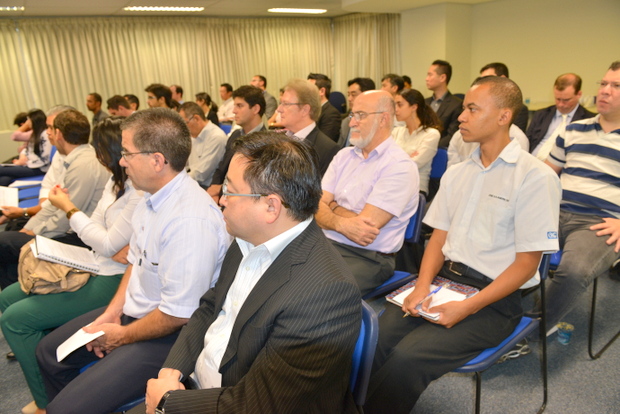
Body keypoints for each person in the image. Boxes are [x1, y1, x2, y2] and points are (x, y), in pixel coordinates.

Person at [364, 76, 561, 414]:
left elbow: (527, 265)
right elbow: (438, 238)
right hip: (443, 283)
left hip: (493, 300)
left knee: (406, 359)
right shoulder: (458, 173)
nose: (461, 117)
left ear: (503, 116)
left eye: (472, 109)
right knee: (373, 339)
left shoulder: (535, 177)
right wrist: (421, 285)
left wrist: (468, 307)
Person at [129, 131, 362, 414]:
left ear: (271, 206)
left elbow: (261, 404)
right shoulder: (247, 238)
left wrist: (169, 403)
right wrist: (172, 371)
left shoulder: (325, 293)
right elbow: (210, 307)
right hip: (198, 390)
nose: (221, 199)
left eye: (230, 190)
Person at [34, 108, 230, 414]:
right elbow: (135, 264)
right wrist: (112, 313)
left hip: (171, 335)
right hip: (137, 314)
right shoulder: (150, 197)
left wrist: (122, 337)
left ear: (157, 161)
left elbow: (179, 315)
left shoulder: (190, 220)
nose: (122, 161)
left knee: (64, 408)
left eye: (127, 153)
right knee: (49, 353)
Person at [0, 117, 142, 414]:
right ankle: (47, 370)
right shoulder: (114, 182)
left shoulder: (138, 191)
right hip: (96, 261)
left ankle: (45, 402)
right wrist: (104, 241)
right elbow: (100, 235)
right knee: (7, 297)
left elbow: (104, 240)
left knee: (15, 319)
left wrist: (69, 209)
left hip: (116, 278)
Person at [316, 90, 419, 296]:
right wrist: (340, 221)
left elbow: (364, 230)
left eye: (361, 115)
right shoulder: (343, 156)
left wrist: (332, 206)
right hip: (324, 242)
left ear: (383, 119)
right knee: (275, 274)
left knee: (316, 295)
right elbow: (314, 206)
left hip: (368, 257)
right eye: (352, 115)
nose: (352, 123)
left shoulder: (399, 166)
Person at [542, 61, 620, 329]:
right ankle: (497, 319)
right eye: (604, 83)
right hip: (555, 212)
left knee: (573, 271)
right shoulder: (574, 129)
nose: (605, 91)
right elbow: (545, 175)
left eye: (616, 85)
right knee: (501, 243)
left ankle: (534, 329)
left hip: (599, 222)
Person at [0, 109, 109, 289]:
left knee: (4, 242)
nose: (47, 133)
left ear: (58, 134)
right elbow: (53, 205)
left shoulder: (83, 165)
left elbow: (65, 217)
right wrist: (29, 228)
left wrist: (35, 233)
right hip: (66, 231)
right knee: (10, 254)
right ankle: (15, 291)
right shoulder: (74, 159)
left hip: (78, 239)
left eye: (50, 128)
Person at [207, 85, 266, 203]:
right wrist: (214, 188)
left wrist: (220, 190)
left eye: (239, 106)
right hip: (221, 196)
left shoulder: (266, 142)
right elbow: (221, 167)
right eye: (234, 105)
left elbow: (252, 184)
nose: (234, 111)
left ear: (255, 109)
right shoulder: (235, 135)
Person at [277, 78, 340, 177]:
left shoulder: (328, 150)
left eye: (285, 104)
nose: (279, 109)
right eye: (281, 103)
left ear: (305, 110)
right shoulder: (279, 141)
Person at [527, 73, 595, 160]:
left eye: (566, 100)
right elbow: (527, 143)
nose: (560, 104)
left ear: (579, 94)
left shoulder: (589, 120)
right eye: (558, 99)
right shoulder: (541, 115)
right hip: (532, 161)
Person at [392, 88, 441, 196]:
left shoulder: (431, 134)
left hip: (416, 189)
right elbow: (383, 160)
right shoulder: (396, 132)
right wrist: (407, 157)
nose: (395, 109)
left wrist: (395, 159)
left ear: (414, 107)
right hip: (393, 185)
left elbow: (412, 165)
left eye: (400, 105)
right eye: (395, 105)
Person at [179, 102, 227, 188]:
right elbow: (185, 164)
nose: (183, 129)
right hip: (194, 181)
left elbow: (201, 174)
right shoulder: (194, 135)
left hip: (207, 186)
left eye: (185, 123)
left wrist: (177, 181)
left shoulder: (216, 137)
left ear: (196, 119)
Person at [0, 109, 52, 187]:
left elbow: (44, 160)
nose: (27, 123)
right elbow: (27, 150)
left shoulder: (45, 135)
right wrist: (23, 157)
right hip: (31, 165)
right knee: (4, 179)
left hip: (38, 168)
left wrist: (25, 162)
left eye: (28, 120)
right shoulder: (35, 134)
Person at [479, 62, 529, 132]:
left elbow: (513, 135)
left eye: (488, 78)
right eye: (481, 79)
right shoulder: (479, 105)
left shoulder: (519, 109)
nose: (482, 83)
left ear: (502, 78)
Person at [425, 59, 462, 147]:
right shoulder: (424, 102)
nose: (426, 79)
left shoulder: (456, 105)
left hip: (441, 149)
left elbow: (452, 135)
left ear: (442, 77)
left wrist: (430, 147)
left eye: (430, 75)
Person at [339, 77, 376, 148]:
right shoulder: (346, 122)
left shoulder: (373, 122)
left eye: (353, 95)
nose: (349, 99)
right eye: (348, 95)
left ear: (367, 95)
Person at [313, 76, 342, 142]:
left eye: (309, 89)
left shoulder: (331, 114)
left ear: (322, 91)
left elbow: (324, 142)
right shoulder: (310, 111)